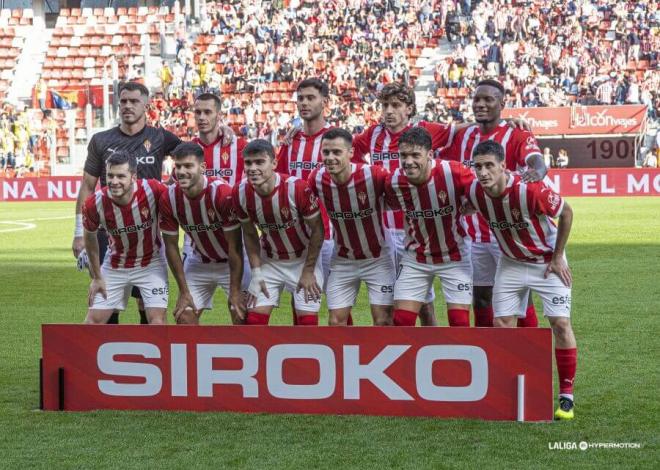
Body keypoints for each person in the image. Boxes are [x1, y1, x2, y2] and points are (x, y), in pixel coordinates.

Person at [467, 140, 577, 420]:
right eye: (478, 166)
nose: (483, 172)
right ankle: (511, 390)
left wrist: (558, 256)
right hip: (511, 264)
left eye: (489, 165)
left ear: (503, 165)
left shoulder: (530, 189)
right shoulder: (474, 192)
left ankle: (566, 395)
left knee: (561, 324)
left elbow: (566, 212)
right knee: (502, 323)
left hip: (547, 263)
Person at [72, 81, 181, 324]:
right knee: (106, 298)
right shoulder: (101, 140)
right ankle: (106, 356)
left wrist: (174, 181)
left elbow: (190, 156)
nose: (127, 106)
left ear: (146, 105)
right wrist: (79, 232)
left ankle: (146, 355)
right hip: (107, 229)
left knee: (146, 301)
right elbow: (88, 185)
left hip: (146, 228)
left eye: (134, 101)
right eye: (123, 101)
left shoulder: (159, 137)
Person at [442, 78, 547, 328]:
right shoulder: (463, 136)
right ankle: (487, 358)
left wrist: (537, 174)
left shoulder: (517, 133)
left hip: (507, 233)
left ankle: (527, 358)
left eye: (488, 99)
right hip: (474, 234)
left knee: (521, 300)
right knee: (480, 299)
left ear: (502, 103)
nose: (480, 104)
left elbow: (536, 161)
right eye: (477, 99)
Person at [352, 82, 457, 326]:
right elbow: (348, 151)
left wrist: (507, 123)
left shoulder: (424, 130)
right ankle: (397, 355)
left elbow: (462, 131)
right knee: (388, 304)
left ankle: (432, 351)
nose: (388, 111)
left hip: (416, 231)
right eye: (385, 105)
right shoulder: (373, 134)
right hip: (382, 233)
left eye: (396, 105)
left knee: (424, 304)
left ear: (409, 108)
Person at [385, 127, 475, 327]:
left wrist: (469, 207)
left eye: (416, 155)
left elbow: (481, 197)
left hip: (455, 255)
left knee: (459, 322)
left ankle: (456, 359)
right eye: (404, 155)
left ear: (430, 155)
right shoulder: (394, 182)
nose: (408, 161)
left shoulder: (454, 172)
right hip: (416, 258)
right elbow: (387, 203)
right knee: (402, 320)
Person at [233, 139, 325, 325]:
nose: (253, 168)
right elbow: (250, 234)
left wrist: (308, 271)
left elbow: (318, 230)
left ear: (274, 163)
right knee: (254, 321)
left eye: (260, 162)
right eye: (248, 163)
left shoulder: (296, 188)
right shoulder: (240, 192)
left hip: (303, 260)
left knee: (307, 324)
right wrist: (256, 272)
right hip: (270, 261)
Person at [309, 128, 394, 325]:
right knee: (335, 322)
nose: (330, 158)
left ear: (351, 153)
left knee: (383, 320)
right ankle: (347, 356)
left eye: (337, 152)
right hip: (343, 259)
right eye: (326, 152)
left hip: (378, 258)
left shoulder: (374, 175)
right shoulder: (317, 179)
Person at [159, 142, 245, 325]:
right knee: (183, 316)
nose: (181, 171)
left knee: (241, 314)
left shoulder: (221, 193)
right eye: (178, 166)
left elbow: (235, 246)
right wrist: (183, 291)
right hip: (199, 261)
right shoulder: (169, 197)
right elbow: (171, 247)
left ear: (202, 167)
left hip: (232, 261)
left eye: (188, 166)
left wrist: (235, 291)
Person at [82, 151, 168, 325]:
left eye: (121, 176)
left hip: (151, 263)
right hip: (115, 265)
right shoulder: (94, 203)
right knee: (92, 323)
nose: (114, 182)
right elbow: (90, 239)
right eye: (110, 176)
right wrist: (97, 277)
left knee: (157, 323)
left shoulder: (153, 189)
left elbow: (177, 201)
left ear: (133, 176)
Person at [275, 78, 335, 323]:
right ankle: (302, 351)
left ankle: (342, 354)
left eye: (311, 98)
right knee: (298, 297)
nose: (304, 103)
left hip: (329, 232)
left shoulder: (335, 139)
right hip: (296, 234)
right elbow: (279, 180)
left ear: (325, 102)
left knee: (337, 301)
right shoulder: (292, 142)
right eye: (300, 98)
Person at [191, 93, 245, 185]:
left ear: (219, 115)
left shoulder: (240, 146)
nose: (201, 117)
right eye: (198, 112)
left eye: (207, 112)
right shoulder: (189, 149)